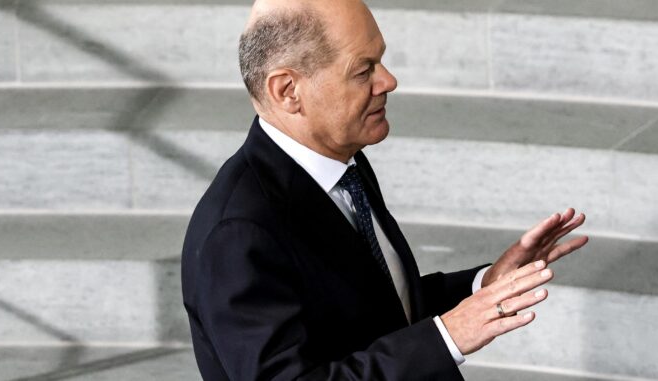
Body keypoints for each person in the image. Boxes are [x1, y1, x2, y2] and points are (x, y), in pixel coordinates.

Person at [181, 0, 589, 379]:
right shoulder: (237, 233)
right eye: (364, 70)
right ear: (288, 91)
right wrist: (447, 336)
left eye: (381, 61)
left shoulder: (343, 165)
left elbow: (374, 309)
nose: (389, 81)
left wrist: (483, 285)